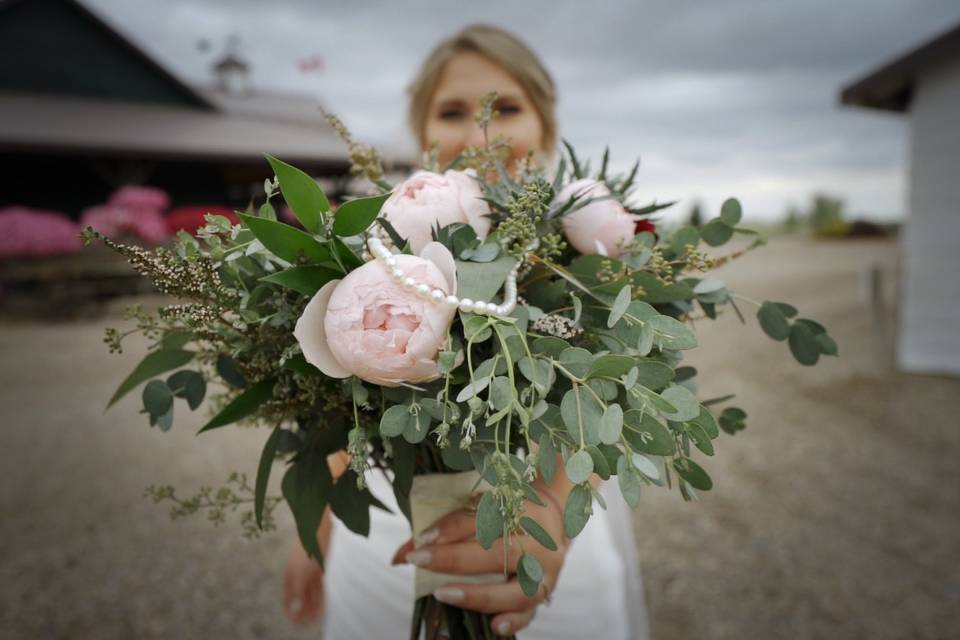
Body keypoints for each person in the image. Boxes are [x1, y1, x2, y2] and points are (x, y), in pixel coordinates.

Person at [282, 24, 649, 640]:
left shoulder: (589, 251)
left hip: (542, 535)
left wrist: (552, 511)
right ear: (423, 134)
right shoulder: (370, 248)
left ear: (546, 125)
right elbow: (338, 402)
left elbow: (614, 392)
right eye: (453, 112)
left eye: (505, 107)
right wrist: (312, 529)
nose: (482, 131)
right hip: (386, 547)